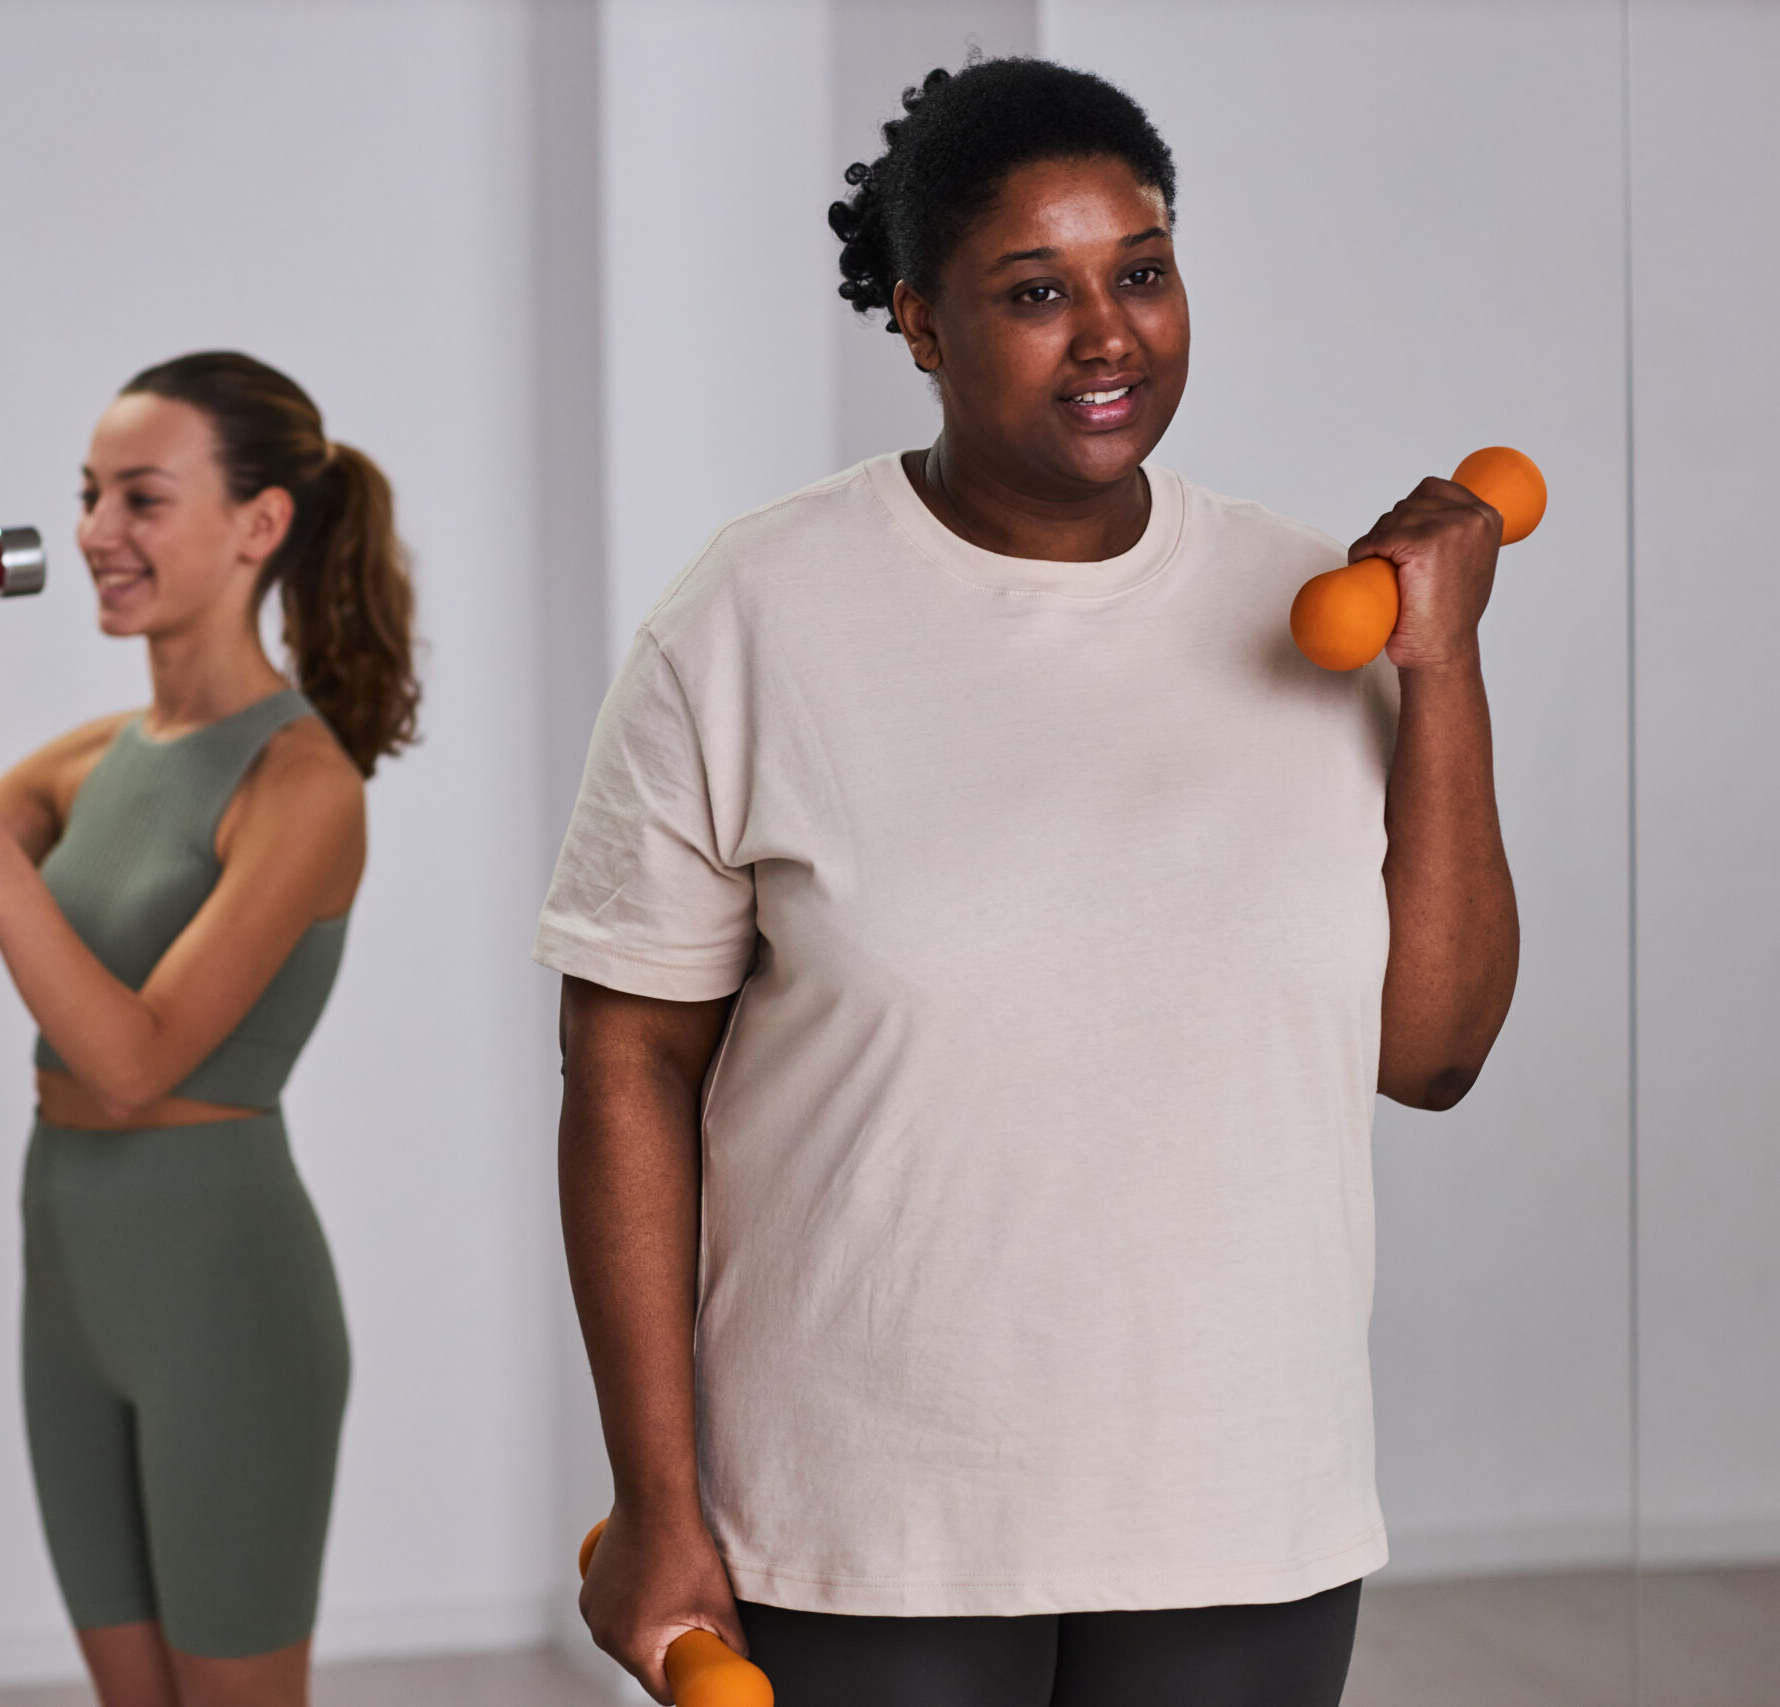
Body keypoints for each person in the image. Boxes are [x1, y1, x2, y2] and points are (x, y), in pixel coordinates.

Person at [543, 58, 1518, 1707]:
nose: (1110, 332)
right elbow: (627, 1061)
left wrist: (1444, 671)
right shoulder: (757, 617)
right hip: (863, 1525)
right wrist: (656, 1498)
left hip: (1238, 1511)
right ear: (919, 327)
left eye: (1140, 270)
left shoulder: (1319, 603)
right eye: (1032, 292)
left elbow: (1430, 1058)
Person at [0, 350, 418, 1707]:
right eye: (90, 496)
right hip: (72, 1270)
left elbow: (140, 1055)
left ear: (257, 525)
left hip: (226, 1295)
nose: (97, 533)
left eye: (140, 499)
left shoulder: (302, 780)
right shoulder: (94, 759)